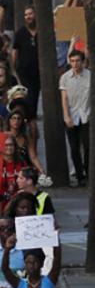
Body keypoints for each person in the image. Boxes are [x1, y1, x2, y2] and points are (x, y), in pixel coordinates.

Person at [59, 49, 89, 186]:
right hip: (72, 115)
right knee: (74, 148)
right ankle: (80, 175)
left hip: (86, 115)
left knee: (88, 146)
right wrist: (67, 115)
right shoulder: (65, 77)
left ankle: (88, 172)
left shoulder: (89, 76)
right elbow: (64, 97)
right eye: (72, 61)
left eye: (78, 60)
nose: (75, 64)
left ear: (83, 62)